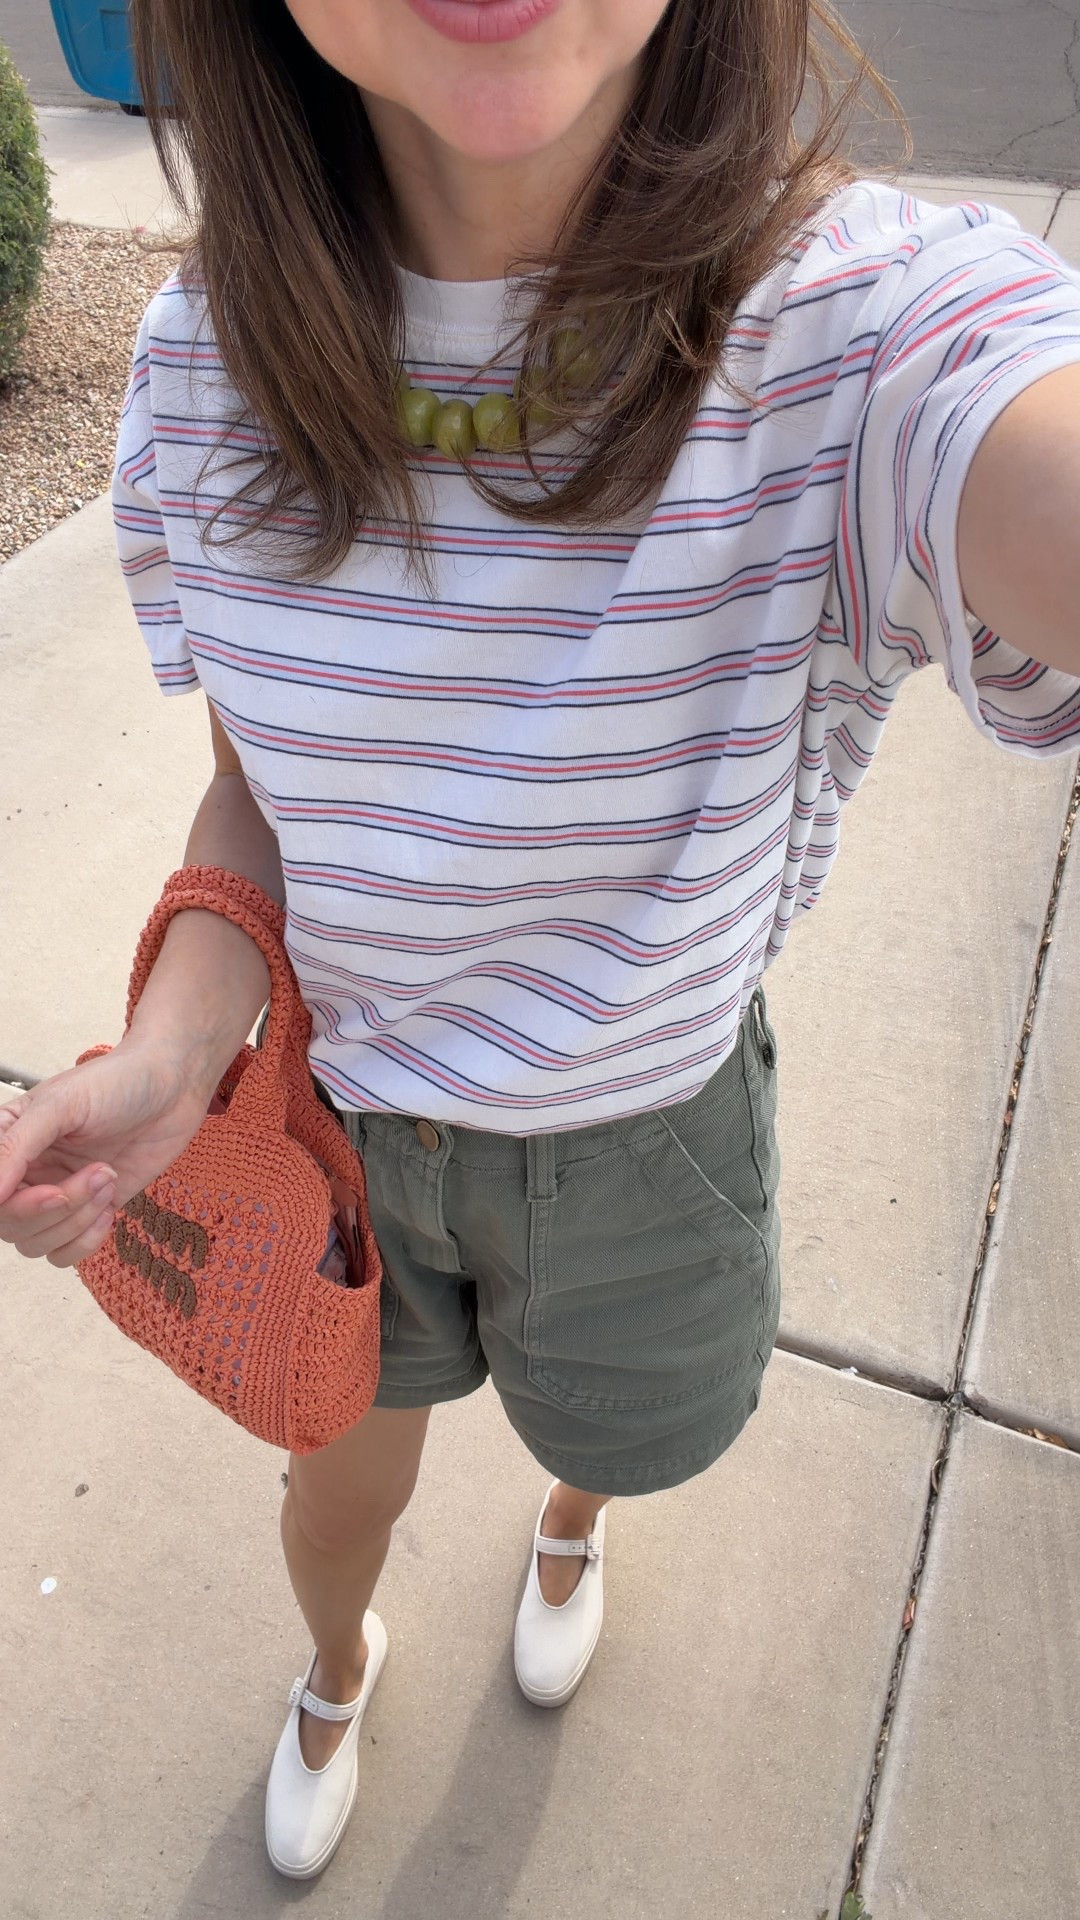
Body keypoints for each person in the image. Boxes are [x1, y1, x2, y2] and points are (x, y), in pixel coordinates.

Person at [2, 0, 1080, 1884]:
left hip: (647, 1130)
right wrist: (177, 1053)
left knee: (620, 1428)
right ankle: (337, 1670)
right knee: (336, 1488)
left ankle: (569, 1514)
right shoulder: (204, 369)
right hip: (343, 1130)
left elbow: (1017, 435)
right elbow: (261, 790)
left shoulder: (855, 330)